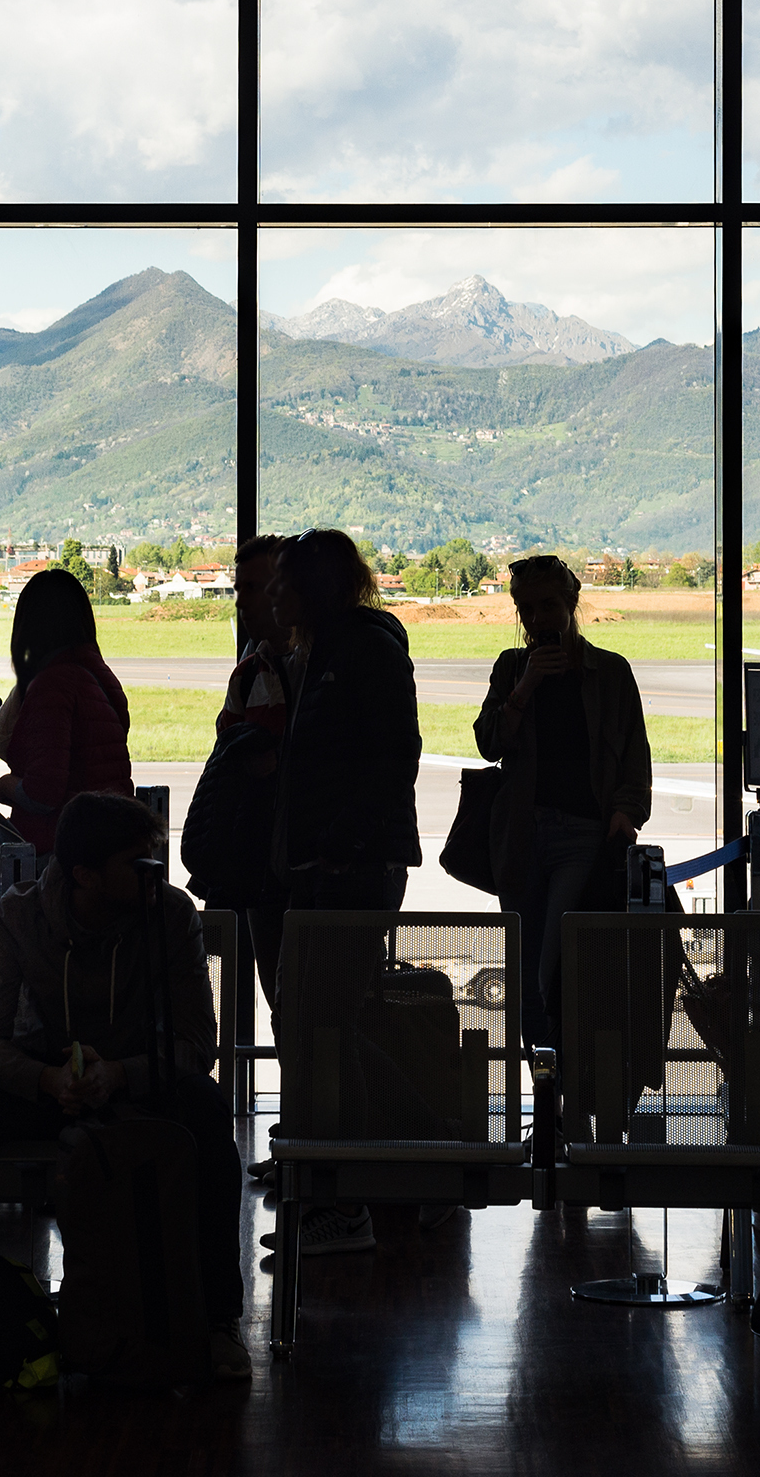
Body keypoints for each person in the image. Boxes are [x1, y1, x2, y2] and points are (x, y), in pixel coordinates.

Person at [0, 791, 250, 1383]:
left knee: (208, 1116)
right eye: (137, 862)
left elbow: (196, 1043)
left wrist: (121, 1072)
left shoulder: (171, 915)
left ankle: (219, 1318)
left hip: (133, 1081)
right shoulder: (19, 919)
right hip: (47, 1084)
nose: (154, 873)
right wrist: (46, 1080)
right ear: (84, 874)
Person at [267, 527, 421, 1261]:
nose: (271, 596)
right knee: (327, 1024)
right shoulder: (328, 648)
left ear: (314, 589)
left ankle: (356, 1193)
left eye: (283, 583)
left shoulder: (360, 648)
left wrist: (341, 845)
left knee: (322, 1024)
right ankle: (390, 1174)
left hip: (350, 871)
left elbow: (395, 754)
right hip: (335, 866)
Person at [471, 553, 651, 1046]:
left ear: (573, 602)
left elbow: (635, 754)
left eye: (548, 605)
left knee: (558, 965)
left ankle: (571, 1089)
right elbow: (488, 742)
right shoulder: (511, 668)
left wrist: (625, 814)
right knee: (527, 974)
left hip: (582, 837)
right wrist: (525, 686)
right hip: (522, 836)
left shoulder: (610, 672)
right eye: (526, 610)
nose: (538, 619)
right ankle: (549, 1100)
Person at [181, 534, 291, 1013]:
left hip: (300, 862)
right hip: (259, 863)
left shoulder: (312, 663)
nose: (242, 601)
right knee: (284, 1005)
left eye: (253, 587)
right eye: (238, 588)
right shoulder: (252, 666)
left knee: (317, 1012)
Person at [0, 567, 131, 853]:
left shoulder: (52, 685)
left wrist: (3, 787)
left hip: (62, 854)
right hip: (105, 845)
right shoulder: (100, 676)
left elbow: (42, 794)